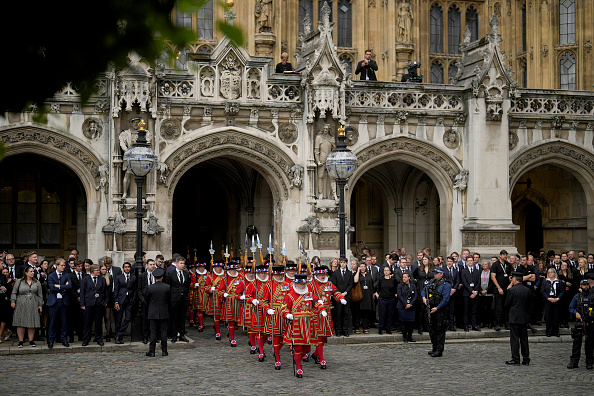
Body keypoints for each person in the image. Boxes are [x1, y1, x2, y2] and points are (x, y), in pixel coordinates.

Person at [281, 273, 325, 378]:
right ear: (295, 284)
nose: (302, 286)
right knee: (297, 348)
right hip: (296, 324)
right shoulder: (289, 295)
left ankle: (298, 360)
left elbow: (315, 303)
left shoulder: (309, 294)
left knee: (306, 349)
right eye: (300, 284)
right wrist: (287, 314)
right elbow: (283, 308)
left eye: (304, 284)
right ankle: (299, 368)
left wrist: (322, 309)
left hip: (308, 324)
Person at [311, 265, 346, 369]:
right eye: (320, 274)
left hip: (327, 312)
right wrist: (316, 302)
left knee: (325, 338)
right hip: (316, 313)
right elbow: (309, 297)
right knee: (319, 337)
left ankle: (315, 355)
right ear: (316, 275)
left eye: (324, 274)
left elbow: (335, 292)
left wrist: (341, 298)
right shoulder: (311, 285)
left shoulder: (329, 283)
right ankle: (321, 359)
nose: (322, 276)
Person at [260, 263, 290, 368]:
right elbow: (263, 301)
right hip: (275, 314)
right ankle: (277, 359)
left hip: (286, 313)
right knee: (276, 337)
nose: (280, 277)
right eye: (278, 275)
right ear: (273, 275)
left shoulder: (288, 285)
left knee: (286, 337)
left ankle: (277, 350)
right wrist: (267, 309)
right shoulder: (268, 286)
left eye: (281, 275)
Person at [10, 266, 44, 347]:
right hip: (21, 303)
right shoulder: (19, 281)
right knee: (21, 321)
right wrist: (13, 301)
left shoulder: (37, 282)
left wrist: (40, 305)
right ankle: (21, 341)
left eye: (33, 271)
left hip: (33, 303)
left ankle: (31, 340)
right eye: (31, 271)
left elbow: (40, 295)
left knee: (31, 321)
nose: (33, 273)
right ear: (26, 273)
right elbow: (14, 292)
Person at [421, 267, 451, 357]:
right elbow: (424, 290)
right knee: (432, 330)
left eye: (437, 273)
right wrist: (424, 298)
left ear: (441, 274)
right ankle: (434, 347)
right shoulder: (432, 281)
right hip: (430, 308)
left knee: (440, 330)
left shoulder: (446, 285)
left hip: (440, 310)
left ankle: (439, 350)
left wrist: (437, 308)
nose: (434, 274)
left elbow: (445, 299)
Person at [567, 273, 594, 369]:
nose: (586, 287)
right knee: (576, 344)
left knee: (589, 345)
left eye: (587, 285)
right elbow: (570, 308)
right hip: (579, 322)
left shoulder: (592, 296)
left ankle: (589, 362)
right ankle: (574, 362)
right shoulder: (577, 296)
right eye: (584, 285)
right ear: (581, 286)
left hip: (590, 323)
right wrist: (576, 313)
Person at [505, 271, 531, 365]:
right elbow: (530, 303)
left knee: (515, 339)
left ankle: (516, 359)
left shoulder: (512, 290)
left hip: (515, 317)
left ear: (515, 279)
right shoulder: (527, 290)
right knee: (524, 339)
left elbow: (507, 304)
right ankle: (526, 359)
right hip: (524, 317)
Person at [80, 264, 108, 346]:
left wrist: (105, 301)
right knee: (88, 322)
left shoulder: (102, 279)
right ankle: (86, 339)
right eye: (97, 270)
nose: (99, 272)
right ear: (93, 271)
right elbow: (82, 292)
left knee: (99, 322)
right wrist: (82, 304)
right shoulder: (85, 279)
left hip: (99, 303)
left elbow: (105, 291)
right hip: (89, 303)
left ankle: (98, 338)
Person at [145, 267, 171, 357]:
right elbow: (169, 300)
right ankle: (164, 351)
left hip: (152, 311)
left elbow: (146, 299)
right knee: (163, 332)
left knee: (153, 332)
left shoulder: (150, 288)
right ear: (162, 277)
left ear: (154, 277)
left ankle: (152, 351)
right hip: (163, 311)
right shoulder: (167, 287)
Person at [46, 259, 71, 348]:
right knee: (52, 322)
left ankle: (64, 339)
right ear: (57, 266)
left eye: (64, 265)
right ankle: (51, 340)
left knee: (64, 322)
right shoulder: (51, 276)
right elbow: (52, 288)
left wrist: (59, 286)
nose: (63, 267)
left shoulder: (66, 275)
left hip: (63, 301)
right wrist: (63, 287)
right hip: (54, 301)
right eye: (61, 265)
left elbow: (69, 286)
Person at [217, 259, 242, 347]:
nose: (233, 271)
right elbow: (219, 291)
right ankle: (232, 338)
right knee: (231, 321)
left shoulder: (241, 278)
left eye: (234, 270)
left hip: (239, 302)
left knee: (237, 323)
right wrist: (224, 294)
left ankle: (231, 333)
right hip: (229, 302)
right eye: (231, 270)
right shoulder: (224, 279)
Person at [166, 256, 190, 342]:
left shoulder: (186, 274)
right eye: (181, 263)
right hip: (174, 299)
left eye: (183, 263)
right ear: (176, 263)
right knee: (174, 317)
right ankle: (174, 335)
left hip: (183, 299)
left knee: (182, 317)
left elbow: (187, 285)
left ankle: (182, 334)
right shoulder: (171, 274)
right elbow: (168, 286)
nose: (182, 265)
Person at [113, 262, 136, 344]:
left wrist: (133, 299)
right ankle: (117, 336)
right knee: (118, 319)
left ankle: (119, 334)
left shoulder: (133, 277)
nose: (127, 268)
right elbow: (116, 290)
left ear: (130, 268)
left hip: (129, 301)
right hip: (120, 301)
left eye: (128, 267)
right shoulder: (119, 277)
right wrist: (116, 301)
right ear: (123, 268)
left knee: (128, 318)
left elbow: (134, 289)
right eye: (125, 267)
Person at [330, 257, 353, 337]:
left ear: (346, 263)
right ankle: (338, 330)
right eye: (341, 262)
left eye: (344, 262)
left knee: (346, 313)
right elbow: (334, 284)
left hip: (346, 296)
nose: (342, 264)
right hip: (338, 296)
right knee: (338, 313)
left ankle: (345, 330)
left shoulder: (349, 273)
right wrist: (339, 294)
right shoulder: (336, 273)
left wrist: (345, 293)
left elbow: (351, 284)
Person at [491, 250, 513, 331]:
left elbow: (512, 275)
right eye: (503, 254)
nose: (505, 256)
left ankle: (506, 323)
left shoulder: (508, 265)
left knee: (506, 306)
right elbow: (493, 277)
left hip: (507, 289)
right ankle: (497, 323)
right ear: (500, 255)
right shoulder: (495, 264)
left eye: (506, 255)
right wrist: (499, 287)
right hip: (498, 289)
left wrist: (510, 285)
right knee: (498, 307)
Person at [137, 259, 156, 344]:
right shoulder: (142, 276)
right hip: (145, 300)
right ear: (147, 265)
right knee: (145, 319)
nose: (152, 266)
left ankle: (154, 336)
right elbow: (139, 289)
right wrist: (142, 298)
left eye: (153, 264)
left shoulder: (156, 275)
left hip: (155, 300)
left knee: (155, 319)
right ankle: (145, 336)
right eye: (151, 264)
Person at [206, 261, 226, 340]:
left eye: (220, 267)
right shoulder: (210, 277)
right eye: (217, 267)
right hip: (215, 298)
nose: (219, 269)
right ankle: (217, 331)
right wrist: (211, 289)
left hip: (224, 297)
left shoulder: (225, 276)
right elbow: (206, 288)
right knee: (216, 316)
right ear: (214, 268)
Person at [353, 262, 375, 334]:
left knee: (366, 313)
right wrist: (358, 271)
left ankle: (365, 327)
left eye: (364, 266)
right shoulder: (356, 274)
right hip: (359, 295)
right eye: (361, 266)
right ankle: (357, 327)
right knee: (358, 313)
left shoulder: (368, 275)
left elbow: (371, 284)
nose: (362, 268)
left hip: (367, 295)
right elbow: (355, 281)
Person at [541, 268, 564, 337]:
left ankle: (556, 331)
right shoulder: (545, 281)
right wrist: (548, 298)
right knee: (548, 316)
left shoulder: (559, 281)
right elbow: (543, 291)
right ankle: (549, 331)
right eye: (549, 273)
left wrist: (558, 298)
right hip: (548, 300)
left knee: (556, 316)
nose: (550, 274)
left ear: (554, 273)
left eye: (551, 273)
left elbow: (562, 291)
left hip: (556, 299)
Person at [375, 266, 397, 334]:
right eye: (385, 270)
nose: (386, 272)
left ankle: (388, 328)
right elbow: (377, 288)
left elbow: (396, 288)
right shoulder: (381, 279)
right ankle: (380, 328)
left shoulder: (393, 280)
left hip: (391, 298)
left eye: (387, 270)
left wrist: (395, 294)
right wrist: (377, 294)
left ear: (390, 271)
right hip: (382, 299)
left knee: (390, 314)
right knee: (382, 314)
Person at [461, 258, 481, 332]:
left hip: (475, 293)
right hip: (467, 293)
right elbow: (465, 283)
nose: (470, 262)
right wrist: (471, 291)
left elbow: (479, 282)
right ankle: (466, 325)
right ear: (466, 262)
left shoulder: (477, 271)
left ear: (473, 261)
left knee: (474, 310)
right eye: (468, 261)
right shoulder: (463, 271)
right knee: (466, 310)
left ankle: (474, 325)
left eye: (471, 261)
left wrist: (475, 292)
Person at [68, 260, 86, 342]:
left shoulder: (85, 275)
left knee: (81, 319)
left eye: (81, 266)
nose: (80, 268)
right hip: (73, 300)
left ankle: (81, 335)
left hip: (82, 299)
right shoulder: (70, 275)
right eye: (78, 266)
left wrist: (82, 297)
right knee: (72, 319)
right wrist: (76, 297)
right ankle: (71, 337)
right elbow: (70, 288)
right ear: (75, 267)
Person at [397, 272, 417, 342]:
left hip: (411, 307)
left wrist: (410, 304)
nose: (404, 278)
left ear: (409, 278)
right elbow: (400, 296)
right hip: (402, 306)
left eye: (405, 277)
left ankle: (410, 337)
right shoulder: (400, 286)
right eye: (403, 277)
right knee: (404, 322)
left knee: (411, 323)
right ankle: (405, 337)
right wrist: (405, 304)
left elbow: (415, 296)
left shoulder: (413, 286)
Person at [442, 256, 460, 331]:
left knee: (452, 310)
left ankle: (451, 325)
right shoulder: (443, 270)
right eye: (448, 261)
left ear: (453, 262)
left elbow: (458, 281)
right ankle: (444, 325)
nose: (449, 263)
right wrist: (448, 290)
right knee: (445, 310)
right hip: (446, 293)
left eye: (451, 261)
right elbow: (443, 281)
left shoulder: (456, 271)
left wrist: (454, 289)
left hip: (453, 293)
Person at [99, 264, 114, 341]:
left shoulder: (109, 277)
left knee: (107, 317)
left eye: (105, 269)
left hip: (108, 300)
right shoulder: (98, 277)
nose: (104, 271)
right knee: (100, 318)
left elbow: (110, 289)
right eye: (103, 269)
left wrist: (107, 301)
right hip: (100, 300)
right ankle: (100, 335)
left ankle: (108, 334)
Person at [0, 267, 15, 342]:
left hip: (8, 302)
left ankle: (0, 335)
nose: (5, 274)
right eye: (4, 272)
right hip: (1, 300)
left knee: (4, 319)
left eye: (7, 272)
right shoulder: (1, 281)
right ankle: (6, 331)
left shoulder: (11, 281)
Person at [478, 260, 494, 328]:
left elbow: (492, 282)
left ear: (488, 265)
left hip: (489, 293)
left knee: (489, 308)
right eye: (483, 264)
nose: (484, 265)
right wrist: (481, 290)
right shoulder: (480, 272)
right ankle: (482, 322)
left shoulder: (491, 273)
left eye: (485, 264)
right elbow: (477, 282)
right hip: (481, 293)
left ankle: (489, 322)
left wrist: (486, 290)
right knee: (482, 308)